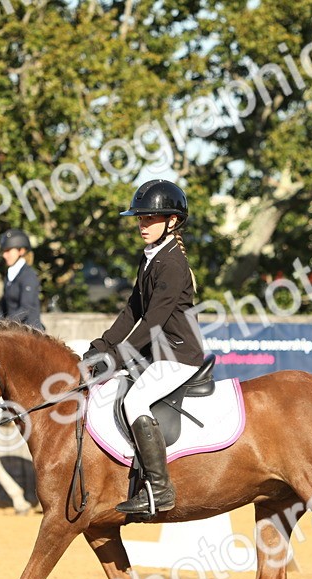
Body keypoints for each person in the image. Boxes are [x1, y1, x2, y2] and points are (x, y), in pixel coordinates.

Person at [85, 179, 206, 517]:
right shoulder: (151, 257)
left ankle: (160, 489)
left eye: (150, 218)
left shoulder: (172, 263)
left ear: (172, 221)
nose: (142, 225)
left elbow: (153, 322)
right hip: (158, 352)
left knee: (136, 399)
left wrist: (118, 356)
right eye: (140, 218)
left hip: (179, 355)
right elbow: (133, 311)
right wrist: (102, 346)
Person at [0, 228, 43, 330]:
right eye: (4, 251)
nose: (4, 255)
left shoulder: (29, 276)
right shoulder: (9, 277)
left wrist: (3, 325)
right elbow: (2, 310)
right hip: (12, 330)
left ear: (21, 251)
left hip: (30, 332)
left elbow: (26, 309)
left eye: (8, 251)